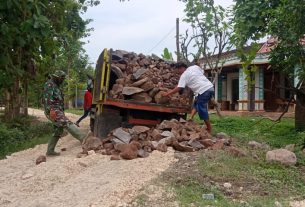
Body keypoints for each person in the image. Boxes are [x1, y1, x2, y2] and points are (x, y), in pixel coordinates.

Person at [162, 62, 215, 133]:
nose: (177, 72)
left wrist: (167, 94)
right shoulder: (194, 67)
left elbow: (179, 87)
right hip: (210, 87)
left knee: (201, 109)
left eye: (177, 70)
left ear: (181, 68)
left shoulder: (184, 75)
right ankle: (190, 118)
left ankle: (209, 128)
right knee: (196, 103)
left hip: (203, 90)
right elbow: (202, 72)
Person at [43, 70, 87, 156]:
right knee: (66, 122)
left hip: (57, 110)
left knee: (58, 130)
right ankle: (83, 138)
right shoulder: (49, 84)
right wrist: (51, 110)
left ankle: (50, 151)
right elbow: (47, 99)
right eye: (62, 78)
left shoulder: (56, 86)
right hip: (53, 110)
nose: (63, 80)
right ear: (57, 78)